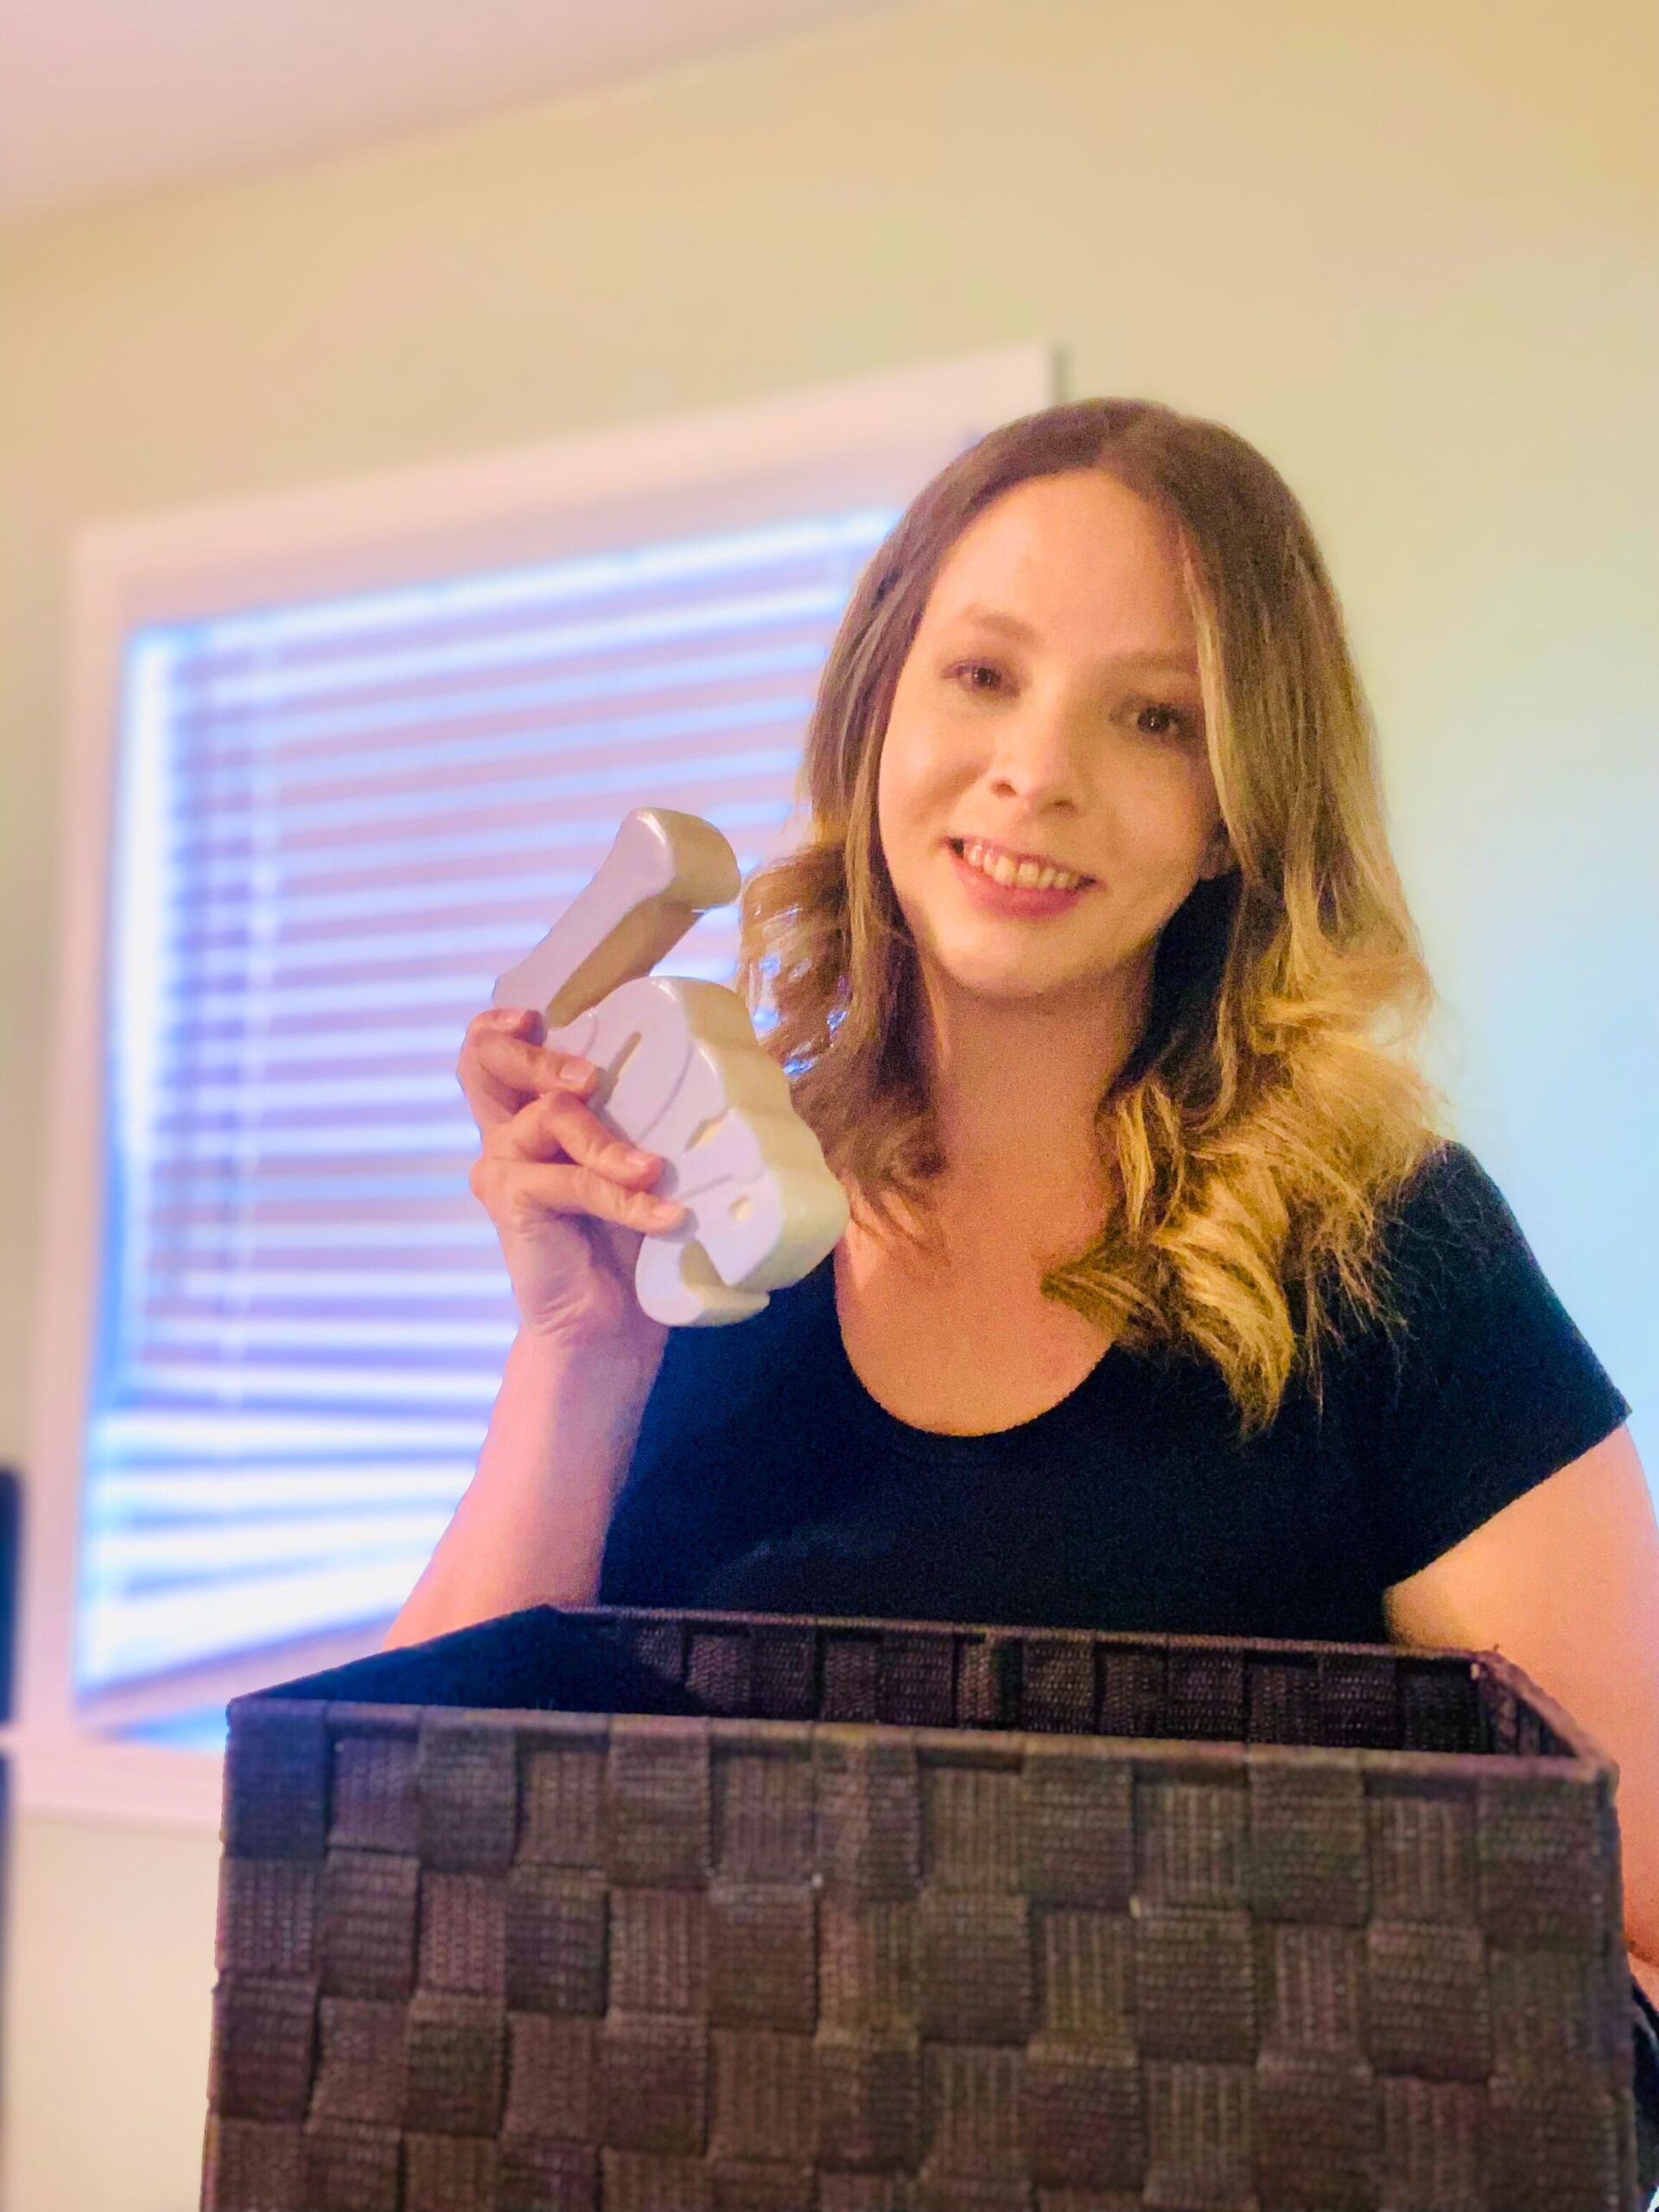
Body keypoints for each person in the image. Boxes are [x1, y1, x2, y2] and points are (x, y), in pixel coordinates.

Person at [388, 397, 1659, 2022]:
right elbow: (400, 1849)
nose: (1036, 773)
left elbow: (1627, 1937)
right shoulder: (684, 1225)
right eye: (983, 675)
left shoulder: (1392, 1258)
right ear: (876, 716)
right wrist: (577, 1350)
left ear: (1234, 816)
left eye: (1156, 721)